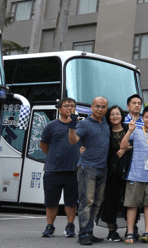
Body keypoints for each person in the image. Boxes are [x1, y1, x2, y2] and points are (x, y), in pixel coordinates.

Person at [68, 96, 110, 245]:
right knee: (87, 202)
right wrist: (71, 127)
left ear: (106, 108)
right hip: (87, 167)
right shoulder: (84, 124)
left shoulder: (107, 122)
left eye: (103, 107)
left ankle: (89, 232)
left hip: (103, 168)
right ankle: (84, 234)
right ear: (91, 107)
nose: (100, 109)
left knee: (96, 203)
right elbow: (73, 140)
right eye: (97, 106)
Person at [121, 105, 148, 244]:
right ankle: (130, 232)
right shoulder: (136, 131)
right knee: (132, 205)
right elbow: (123, 146)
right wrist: (129, 131)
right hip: (135, 175)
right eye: (146, 117)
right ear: (142, 118)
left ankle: (146, 232)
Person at [40, 97, 80, 239]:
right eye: (66, 106)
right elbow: (43, 144)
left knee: (71, 201)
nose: (70, 108)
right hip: (53, 170)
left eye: (72, 106)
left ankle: (70, 226)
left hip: (73, 170)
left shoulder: (79, 125)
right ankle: (50, 226)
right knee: (51, 201)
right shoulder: (51, 126)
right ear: (60, 109)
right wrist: (54, 156)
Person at [100, 105, 128, 242]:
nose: (115, 116)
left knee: (129, 201)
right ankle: (112, 231)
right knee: (111, 200)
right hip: (112, 170)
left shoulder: (129, 128)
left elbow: (138, 144)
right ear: (108, 117)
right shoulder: (106, 130)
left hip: (129, 169)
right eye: (112, 114)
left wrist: (126, 148)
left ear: (121, 115)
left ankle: (131, 230)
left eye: (117, 114)